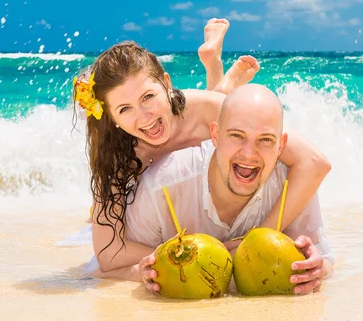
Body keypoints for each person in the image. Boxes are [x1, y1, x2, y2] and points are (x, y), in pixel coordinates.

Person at [74, 19, 332, 276]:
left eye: (148, 97)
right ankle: (216, 68)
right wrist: (199, 251)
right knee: (99, 218)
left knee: (227, 115)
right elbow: (108, 253)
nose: (144, 117)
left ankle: (216, 68)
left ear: (166, 83)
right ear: (111, 117)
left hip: (198, 115)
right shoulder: (118, 156)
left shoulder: (206, 109)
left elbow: (315, 162)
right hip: (153, 211)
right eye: (124, 109)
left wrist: (259, 235)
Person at [86, 84, 334, 295]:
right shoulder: (160, 189)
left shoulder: (291, 182)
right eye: (237, 136)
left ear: (281, 146)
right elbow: (101, 267)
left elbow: (324, 259)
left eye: (266, 140)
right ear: (214, 135)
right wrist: (140, 273)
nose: (249, 154)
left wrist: (317, 269)